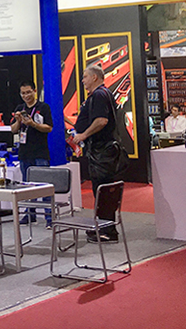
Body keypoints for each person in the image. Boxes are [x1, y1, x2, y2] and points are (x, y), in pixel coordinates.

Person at [73, 65, 120, 242]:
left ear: (94, 77)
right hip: (101, 151)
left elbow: (101, 120)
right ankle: (103, 227)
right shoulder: (101, 94)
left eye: (85, 76)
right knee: (102, 191)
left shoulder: (100, 95)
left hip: (102, 152)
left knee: (103, 192)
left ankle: (107, 230)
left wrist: (84, 135)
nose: (83, 80)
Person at [10, 80, 53, 223]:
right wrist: (18, 121)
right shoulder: (20, 108)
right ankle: (30, 214)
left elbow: (49, 127)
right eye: (23, 93)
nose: (26, 95)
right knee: (27, 186)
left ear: (34, 91)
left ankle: (49, 216)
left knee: (44, 185)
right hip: (24, 152)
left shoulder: (43, 107)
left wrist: (33, 124)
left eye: (28, 92)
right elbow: (13, 130)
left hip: (40, 152)